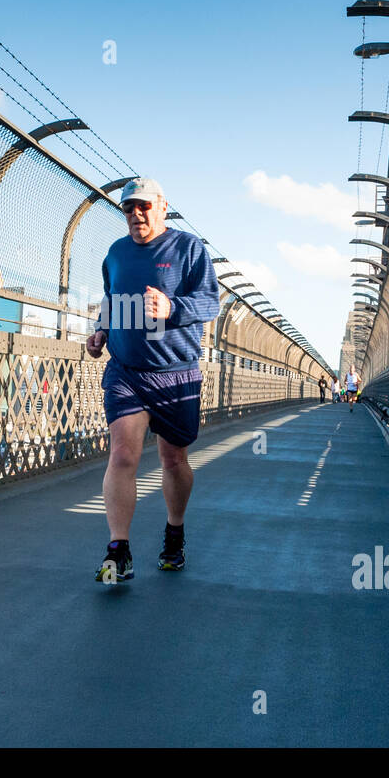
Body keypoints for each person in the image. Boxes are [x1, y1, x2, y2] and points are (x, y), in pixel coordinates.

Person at [85, 177, 219, 584]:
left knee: (172, 460)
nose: (135, 214)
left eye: (143, 206)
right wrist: (101, 332)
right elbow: (112, 301)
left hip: (175, 374)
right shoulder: (116, 253)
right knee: (123, 455)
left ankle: (174, 533)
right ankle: (118, 550)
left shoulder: (188, 249)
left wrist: (172, 306)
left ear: (163, 206)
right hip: (126, 371)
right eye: (128, 208)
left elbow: (211, 301)